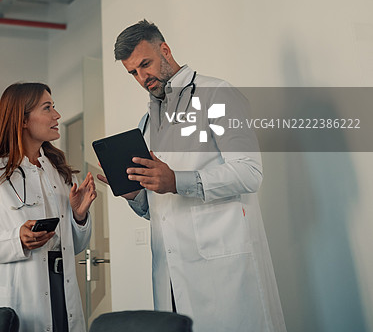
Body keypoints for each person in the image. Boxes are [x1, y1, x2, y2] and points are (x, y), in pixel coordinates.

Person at [99, 20, 286, 332]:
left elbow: (249, 172)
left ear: (165, 50)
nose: (143, 77)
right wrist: (136, 196)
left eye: (145, 64)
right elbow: (162, 208)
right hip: (170, 274)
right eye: (133, 72)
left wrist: (177, 181)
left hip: (223, 269)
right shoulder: (146, 122)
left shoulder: (217, 95)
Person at [0, 82, 96, 332]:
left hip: (61, 288)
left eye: (54, 107)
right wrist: (16, 240)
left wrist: (79, 216)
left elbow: (76, 246)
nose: (57, 115)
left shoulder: (63, 175)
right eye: (47, 108)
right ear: (22, 120)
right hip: (17, 293)